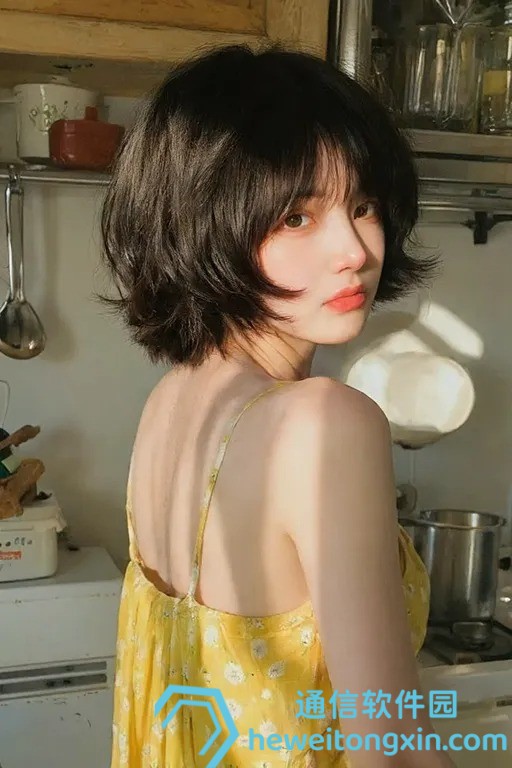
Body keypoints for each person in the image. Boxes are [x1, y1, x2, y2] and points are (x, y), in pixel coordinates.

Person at [101, 45, 455, 768]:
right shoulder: (324, 423)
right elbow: (393, 748)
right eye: (297, 217)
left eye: (363, 206)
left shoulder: (173, 399)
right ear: (202, 224)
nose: (354, 250)